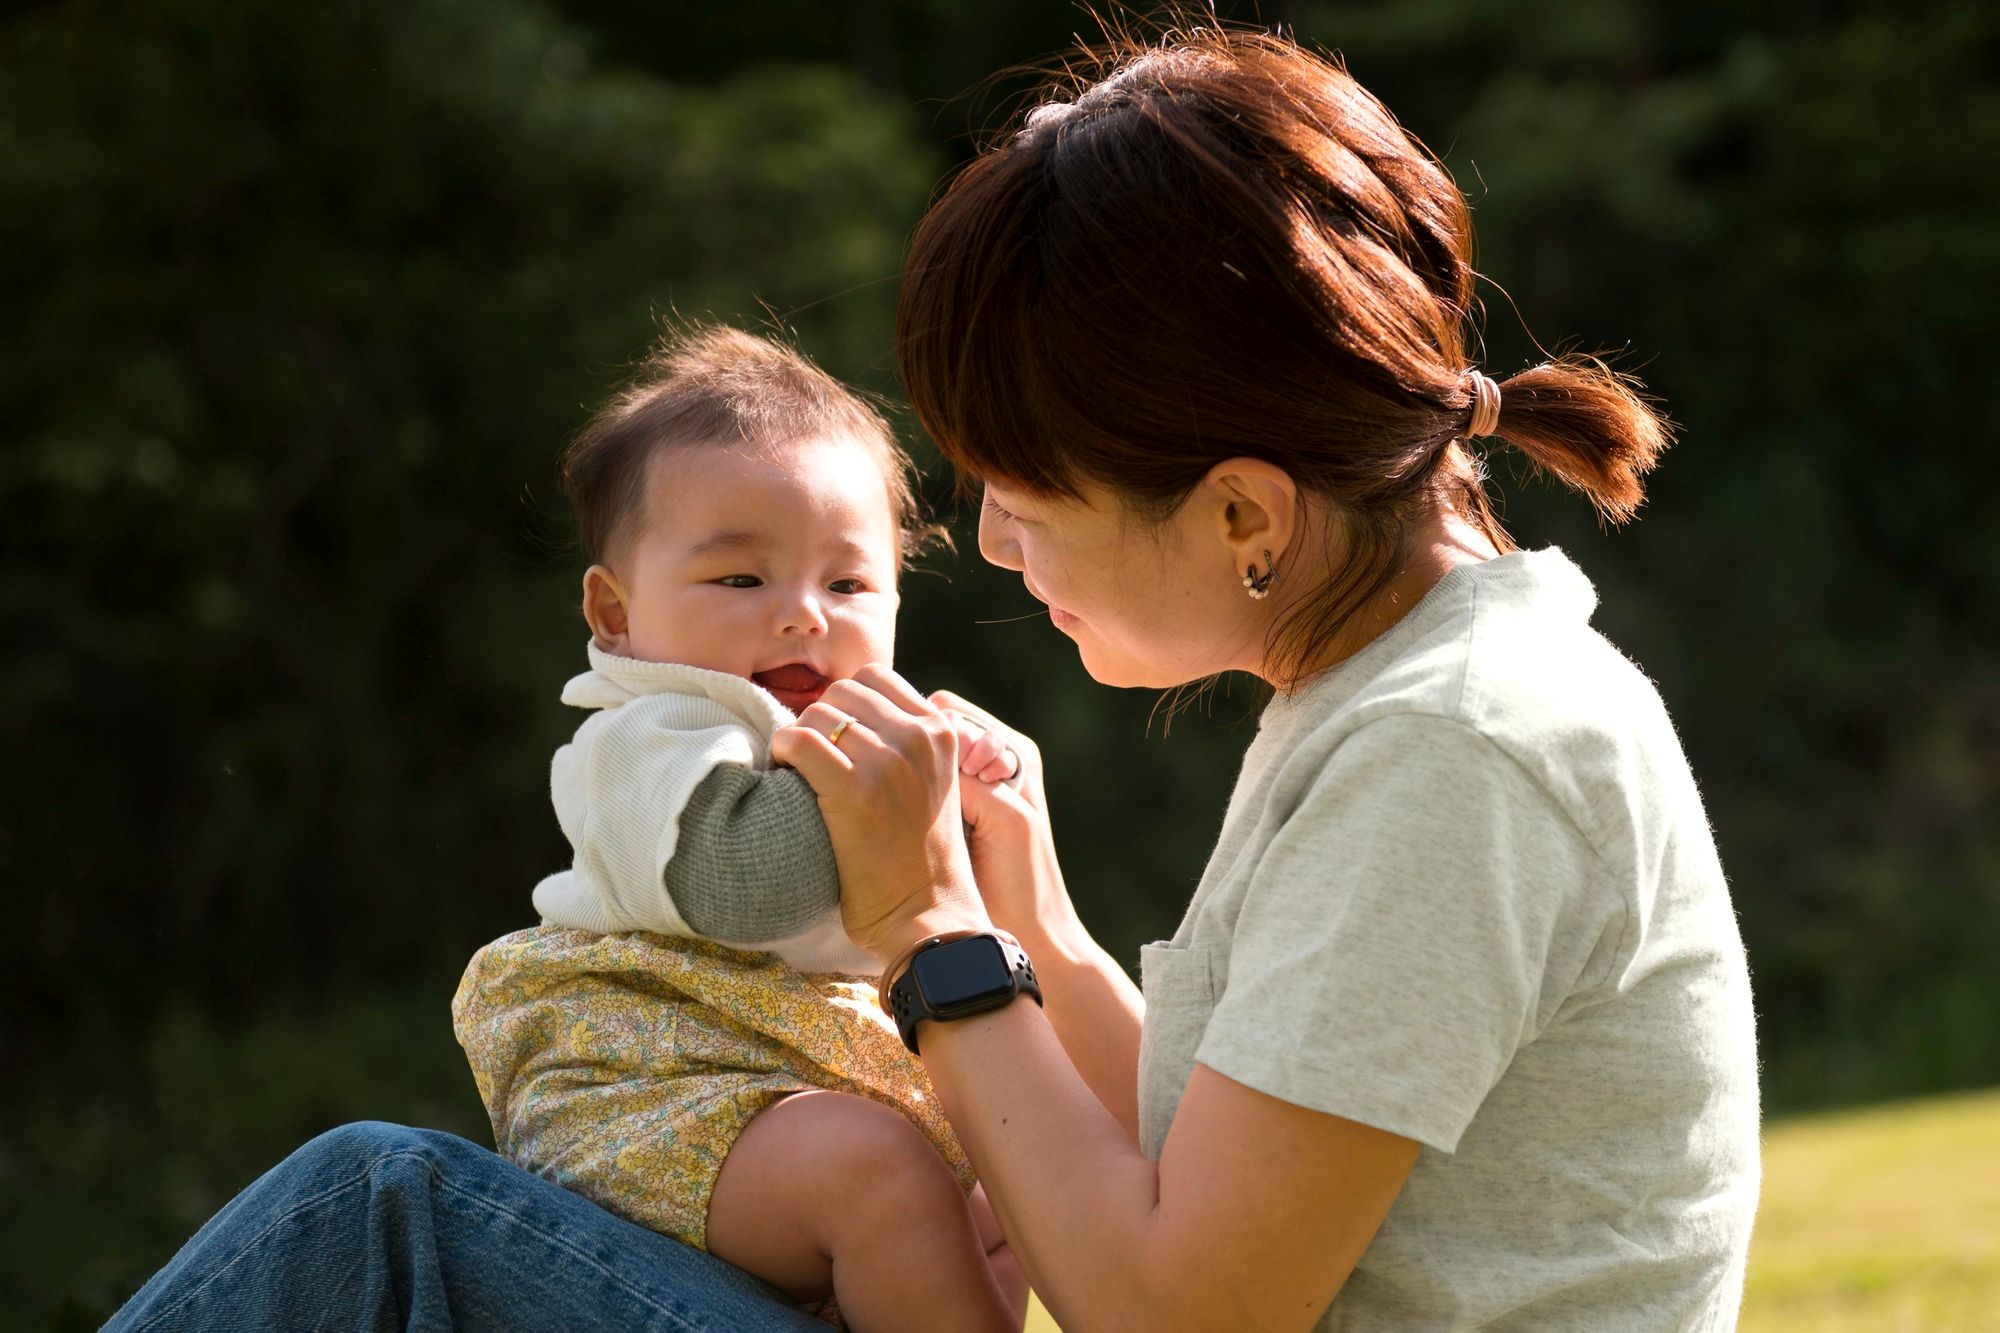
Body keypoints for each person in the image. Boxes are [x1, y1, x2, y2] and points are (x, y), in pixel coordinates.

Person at [108, 24, 1759, 1333]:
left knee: (379, 1216)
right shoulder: (1391, 700)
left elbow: (1183, 1306)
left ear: (1245, 510)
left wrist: (931, 937)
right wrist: (1029, 923)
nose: (987, 539)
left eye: (1023, 493)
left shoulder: (1454, 754)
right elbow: (1215, 1172)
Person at [451, 324, 1026, 1331]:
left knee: (1041, 1191)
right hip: (659, 1090)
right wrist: (904, 787)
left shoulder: (844, 733)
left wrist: (976, 798)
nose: (803, 615)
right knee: (877, 1175)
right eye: (740, 579)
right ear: (615, 611)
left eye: (846, 584)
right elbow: (745, 880)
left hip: (808, 1091)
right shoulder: (653, 727)